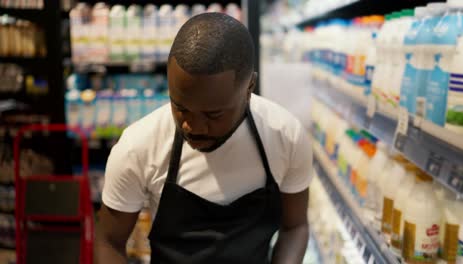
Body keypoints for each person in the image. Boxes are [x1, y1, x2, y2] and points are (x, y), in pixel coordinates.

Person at [95, 12, 313, 264]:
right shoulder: (138, 146)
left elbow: (295, 227)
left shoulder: (285, 137)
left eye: (213, 114)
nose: (192, 125)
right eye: (180, 107)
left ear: (249, 87)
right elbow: (109, 241)